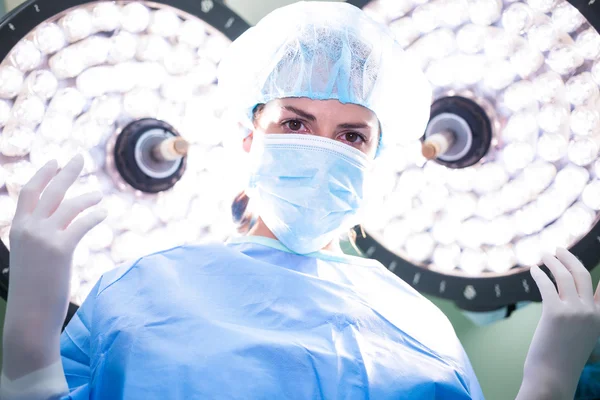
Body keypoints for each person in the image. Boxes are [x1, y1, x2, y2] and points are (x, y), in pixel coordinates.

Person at [1, 2, 600, 399]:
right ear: (247, 136)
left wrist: (546, 383)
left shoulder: (422, 326)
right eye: (294, 122)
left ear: (378, 161)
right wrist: (29, 351)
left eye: (351, 136)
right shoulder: (141, 288)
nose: (321, 149)